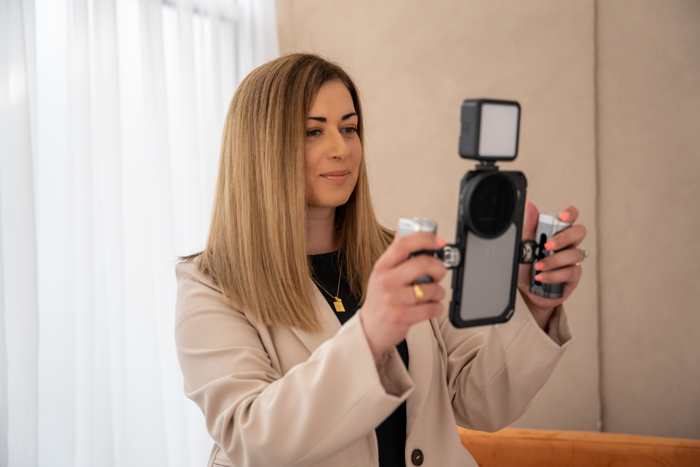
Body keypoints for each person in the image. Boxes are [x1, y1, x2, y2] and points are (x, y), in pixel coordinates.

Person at [175, 53, 587, 467]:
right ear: (260, 149)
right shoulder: (210, 286)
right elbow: (252, 437)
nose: (342, 149)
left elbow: (479, 403)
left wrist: (533, 309)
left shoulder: (397, 255)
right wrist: (370, 333)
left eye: (349, 128)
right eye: (313, 132)